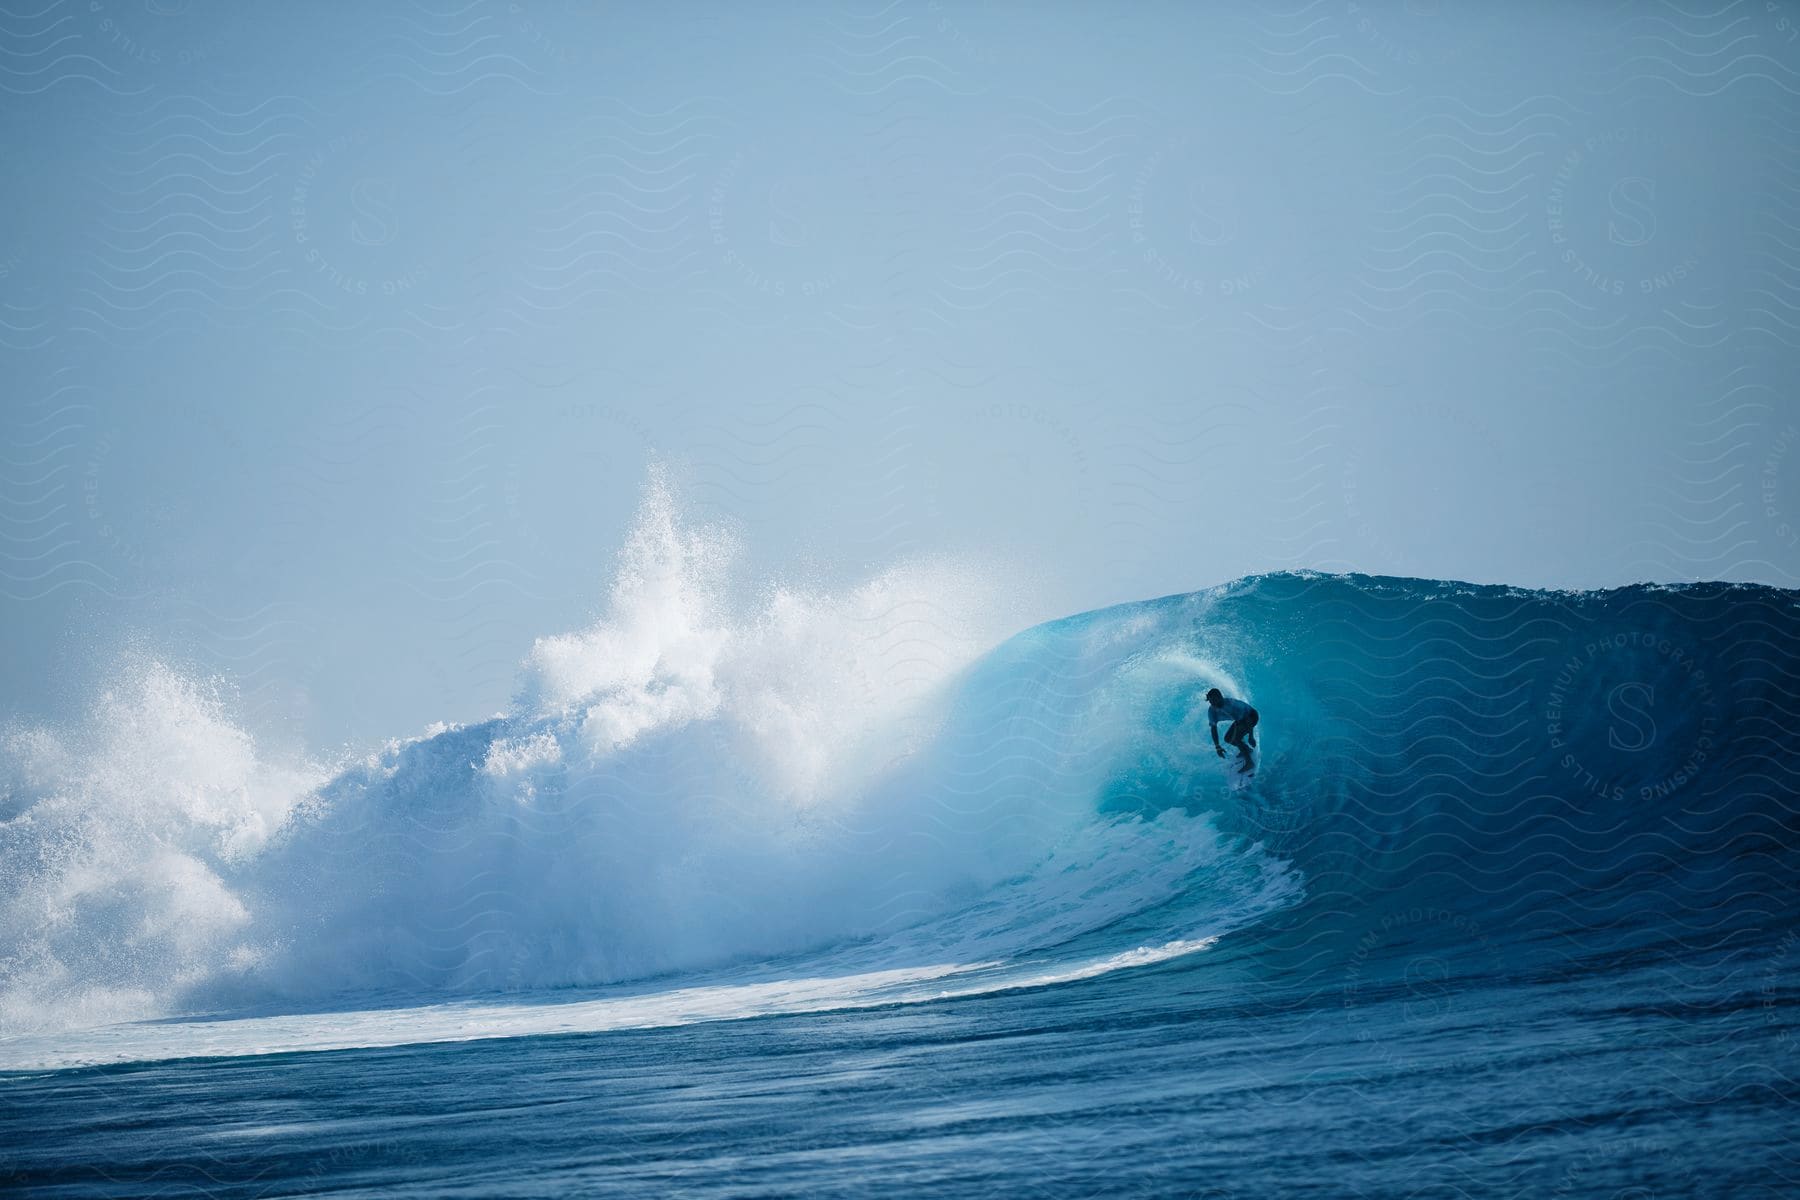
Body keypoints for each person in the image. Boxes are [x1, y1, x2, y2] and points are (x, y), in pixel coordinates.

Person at [1205, 687, 1258, 769]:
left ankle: (1249, 763)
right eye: (1211, 702)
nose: (1213, 704)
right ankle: (1246, 749)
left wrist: (1251, 737)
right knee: (1228, 739)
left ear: (1220, 697)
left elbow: (1248, 719)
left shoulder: (1231, 704)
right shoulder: (1212, 711)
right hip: (1239, 720)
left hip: (1251, 716)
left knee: (1236, 738)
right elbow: (1213, 728)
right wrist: (1217, 747)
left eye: (1214, 700)